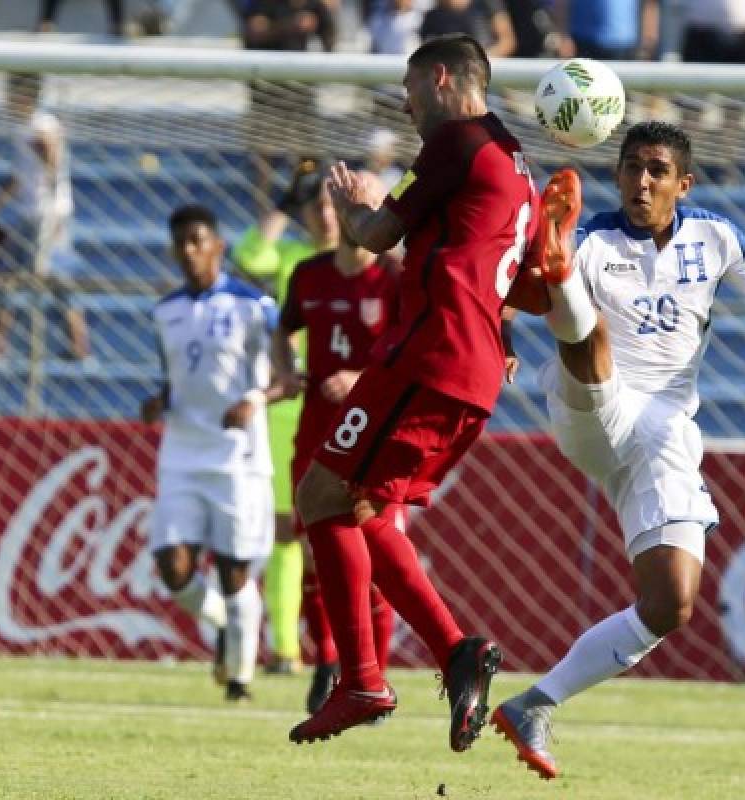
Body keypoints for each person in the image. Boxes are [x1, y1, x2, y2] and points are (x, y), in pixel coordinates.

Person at [490, 121, 745, 780]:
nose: (642, 181)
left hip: (664, 435)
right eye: (632, 167)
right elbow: (505, 302)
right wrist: (503, 334)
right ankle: (552, 256)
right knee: (593, 339)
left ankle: (534, 704)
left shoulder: (717, 236)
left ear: (682, 184)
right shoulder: (596, 235)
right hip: (591, 408)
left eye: (657, 170)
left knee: (671, 604)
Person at [287, 34, 538, 748]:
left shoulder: (456, 142)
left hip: (429, 357)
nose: (404, 104)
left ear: (440, 78)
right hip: (474, 369)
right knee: (367, 507)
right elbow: (520, 286)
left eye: (408, 88)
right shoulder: (514, 163)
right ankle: (457, 652)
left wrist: (358, 203)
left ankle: (363, 679)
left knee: (318, 496)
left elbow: (373, 236)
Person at [141, 204, 290, 702]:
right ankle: (225, 624)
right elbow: (174, 376)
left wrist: (255, 400)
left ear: (217, 247)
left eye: (196, 240)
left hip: (237, 459)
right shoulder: (165, 312)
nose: (188, 251)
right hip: (182, 453)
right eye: (180, 242)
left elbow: (285, 378)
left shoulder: (254, 306)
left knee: (233, 570)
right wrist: (160, 400)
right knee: (173, 568)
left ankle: (240, 681)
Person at [271, 171, 402, 714]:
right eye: (334, 208)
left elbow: (409, 353)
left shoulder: (393, 279)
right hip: (317, 434)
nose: (338, 218)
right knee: (315, 557)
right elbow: (283, 330)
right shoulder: (307, 275)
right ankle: (327, 664)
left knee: (373, 562)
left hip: (376, 438)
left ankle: (375, 677)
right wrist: (287, 371)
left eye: (349, 209)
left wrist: (359, 379)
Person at [235, 157, 340, 677]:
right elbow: (250, 253)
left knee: (343, 531)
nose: (323, 214)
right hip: (289, 409)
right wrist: (281, 203)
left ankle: (343, 652)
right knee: (286, 529)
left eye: (328, 203)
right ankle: (284, 648)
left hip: (347, 408)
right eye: (313, 205)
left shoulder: (363, 260)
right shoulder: (293, 258)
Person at [0, 72, 90, 362]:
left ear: (24, 97)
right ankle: (74, 343)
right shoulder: (26, 126)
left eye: (10, 93)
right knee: (43, 276)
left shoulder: (39, 126)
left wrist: (53, 211)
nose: (5, 99)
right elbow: (21, 177)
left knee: (22, 275)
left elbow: (50, 158)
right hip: (32, 213)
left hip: (43, 216)